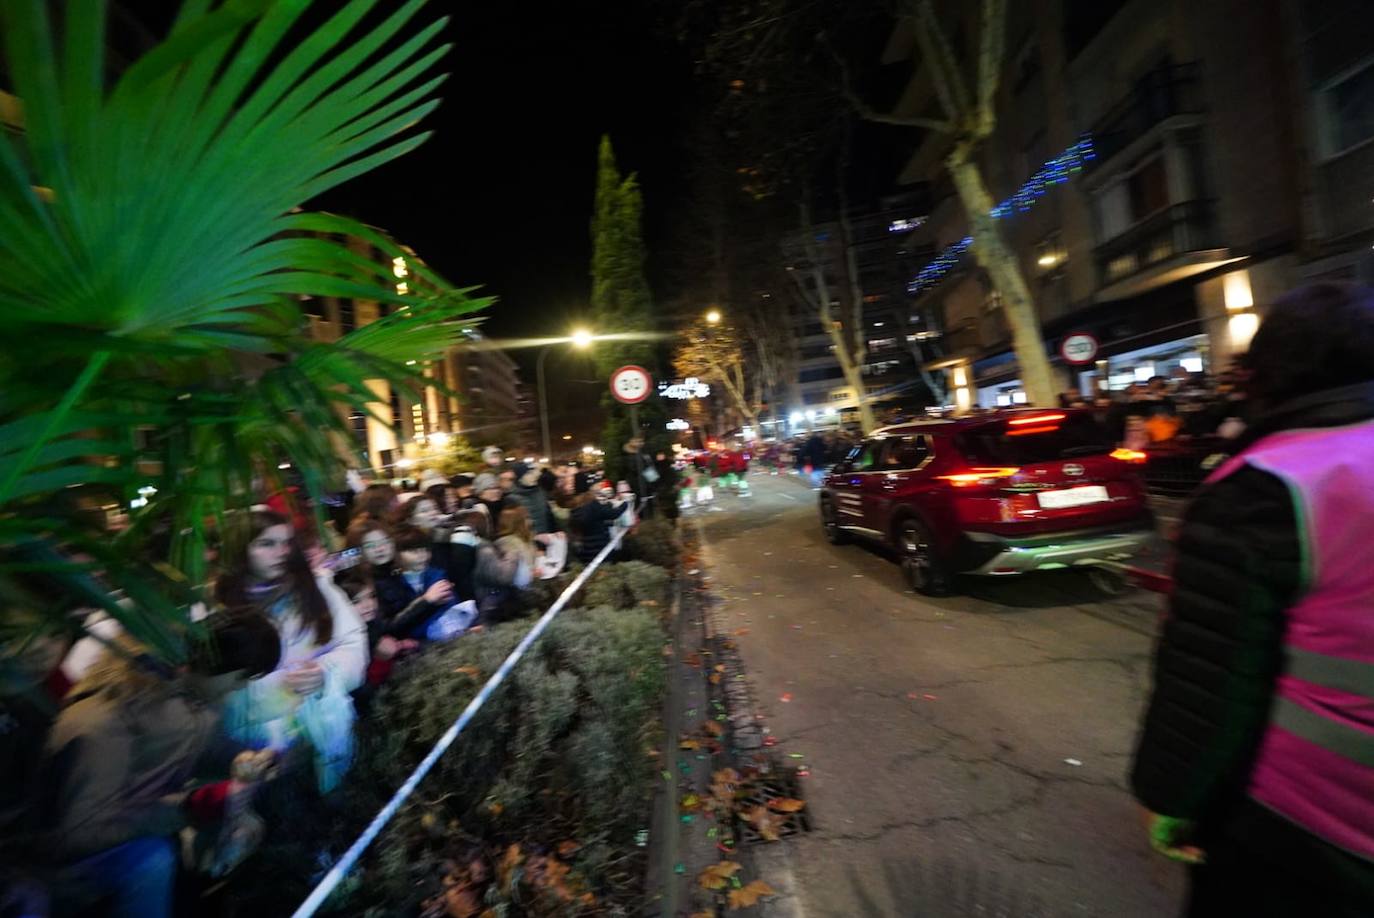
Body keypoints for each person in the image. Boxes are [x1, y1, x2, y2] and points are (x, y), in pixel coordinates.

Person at [1131, 283, 1374, 916]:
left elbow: (1208, 678)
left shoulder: (1264, 487)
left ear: (1262, 376)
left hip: (1307, 828)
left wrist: (1173, 795)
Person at [40, 614, 282, 918]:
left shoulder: (193, 700)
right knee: (153, 860)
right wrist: (191, 807)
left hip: (143, 828)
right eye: (242, 677)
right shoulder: (104, 719)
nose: (241, 688)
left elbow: (202, 747)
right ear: (217, 663)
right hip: (70, 869)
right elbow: (80, 832)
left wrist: (245, 757)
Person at [215, 510, 368, 793]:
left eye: (286, 543)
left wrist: (325, 673)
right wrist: (279, 689)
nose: (281, 552)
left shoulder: (317, 589)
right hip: (258, 750)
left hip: (328, 729)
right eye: (266, 544)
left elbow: (353, 642)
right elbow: (213, 692)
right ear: (239, 550)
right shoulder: (216, 609)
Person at [569, 475, 627, 565]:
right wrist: (625, 503)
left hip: (586, 551)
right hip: (600, 549)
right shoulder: (593, 505)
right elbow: (613, 514)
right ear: (590, 488)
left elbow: (593, 521)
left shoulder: (575, 506)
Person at [505, 460, 557, 536]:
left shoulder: (541, 492)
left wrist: (555, 533)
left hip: (547, 538)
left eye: (533, 472)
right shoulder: (511, 498)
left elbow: (549, 517)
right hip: (528, 542)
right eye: (529, 474)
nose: (534, 476)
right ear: (520, 478)